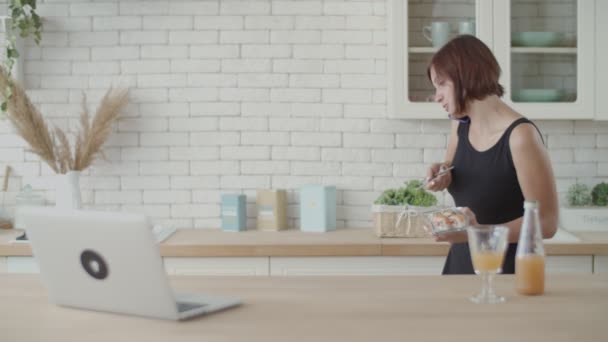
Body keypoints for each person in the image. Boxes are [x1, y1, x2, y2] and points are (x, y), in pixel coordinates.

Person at [424, 35, 558, 275]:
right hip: (460, 265)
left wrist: (477, 231)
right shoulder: (460, 123)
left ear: (465, 75)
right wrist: (444, 173)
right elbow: (459, 168)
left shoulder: (521, 136)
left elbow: (547, 223)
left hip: (506, 272)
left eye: (441, 84)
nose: (437, 96)